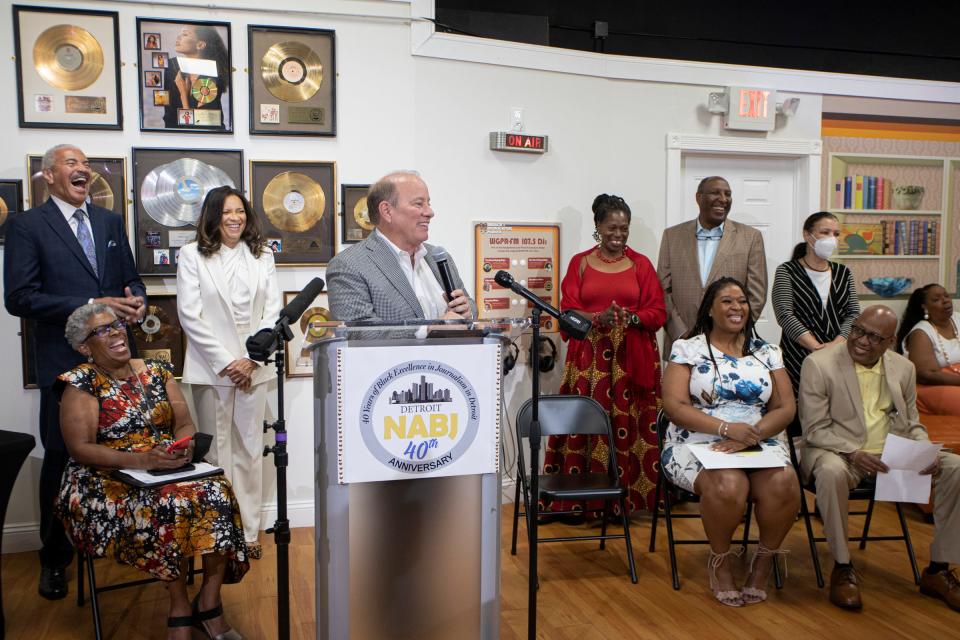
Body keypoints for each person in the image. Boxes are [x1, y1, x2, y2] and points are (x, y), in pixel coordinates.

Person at [3, 144, 145, 600]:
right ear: (48, 176)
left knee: (126, 447)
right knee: (63, 459)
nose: (82, 169)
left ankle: (119, 542)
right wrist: (91, 305)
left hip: (116, 363)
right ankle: (54, 559)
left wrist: (137, 299)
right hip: (64, 365)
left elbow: (129, 278)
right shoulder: (27, 226)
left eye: (85, 164)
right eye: (71, 163)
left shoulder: (108, 222)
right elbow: (19, 299)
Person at [57, 303, 247, 639]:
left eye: (117, 324)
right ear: (84, 347)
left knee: (219, 490)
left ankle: (209, 602)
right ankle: (179, 608)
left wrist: (183, 447)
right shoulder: (81, 383)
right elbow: (81, 449)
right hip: (102, 478)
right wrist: (144, 462)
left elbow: (184, 423)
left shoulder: (158, 372)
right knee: (167, 504)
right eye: (103, 330)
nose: (116, 332)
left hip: (164, 467)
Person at [799, 305, 960, 612]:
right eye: (858, 330)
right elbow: (814, 429)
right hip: (839, 451)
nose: (861, 340)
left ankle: (938, 570)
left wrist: (923, 450)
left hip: (891, 453)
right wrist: (853, 452)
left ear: (890, 341)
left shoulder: (903, 367)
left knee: (955, 468)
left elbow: (913, 423)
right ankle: (842, 567)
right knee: (830, 473)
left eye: (874, 337)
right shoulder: (818, 364)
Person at [661, 277, 798, 607]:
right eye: (727, 301)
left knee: (784, 482)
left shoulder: (768, 351)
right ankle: (721, 562)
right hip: (695, 441)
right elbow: (675, 406)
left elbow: (786, 407)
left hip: (757, 440)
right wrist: (726, 429)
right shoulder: (687, 348)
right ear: (709, 309)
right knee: (728, 486)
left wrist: (752, 435)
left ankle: (763, 561)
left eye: (742, 301)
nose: (737, 307)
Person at [542, 194, 665, 514]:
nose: (619, 234)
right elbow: (567, 309)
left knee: (630, 425)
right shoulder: (580, 262)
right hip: (590, 359)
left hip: (631, 358)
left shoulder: (641, 264)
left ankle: (629, 500)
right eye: (612, 227)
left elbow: (657, 311)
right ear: (598, 226)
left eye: (624, 229)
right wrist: (599, 319)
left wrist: (631, 318)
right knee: (587, 422)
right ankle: (579, 502)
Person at [176, 186, 281, 559]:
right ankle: (221, 537)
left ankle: (249, 533)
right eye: (226, 213)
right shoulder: (192, 255)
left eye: (239, 211)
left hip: (253, 368)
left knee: (251, 451)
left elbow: (272, 312)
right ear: (212, 218)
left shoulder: (262, 255)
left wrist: (250, 360)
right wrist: (227, 362)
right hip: (211, 368)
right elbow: (190, 315)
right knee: (217, 455)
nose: (234, 218)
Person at [326, 171, 475, 323]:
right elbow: (358, 332)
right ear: (387, 211)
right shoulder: (349, 265)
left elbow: (469, 305)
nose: (430, 212)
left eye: (428, 203)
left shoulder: (439, 257)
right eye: (418, 204)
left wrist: (468, 310)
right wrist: (433, 329)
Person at [657, 176, 767, 359]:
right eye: (716, 193)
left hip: (730, 345)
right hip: (683, 342)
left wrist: (733, 330)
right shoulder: (672, 236)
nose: (723, 199)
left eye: (728, 194)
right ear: (699, 197)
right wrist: (681, 333)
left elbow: (757, 294)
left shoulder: (750, 237)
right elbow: (662, 288)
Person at [772, 211, 860, 397]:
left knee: (836, 409)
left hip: (839, 354)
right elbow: (784, 314)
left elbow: (853, 313)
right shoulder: (787, 271)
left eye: (836, 234)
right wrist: (816, 347)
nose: (831, 239)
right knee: (800, 411)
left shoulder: (843, 272)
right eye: (825, 232)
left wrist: (837, 344)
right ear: (807, 235)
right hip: (798, 355)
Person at [897, 283, 960, 415]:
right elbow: (926, 375)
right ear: (925, 307)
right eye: (936, 299)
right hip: (933, 387)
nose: (945, 301)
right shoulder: (921, 332)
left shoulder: (957, 318)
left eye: (946, 296)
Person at [164, 25, 229, 129]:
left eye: (185, 34)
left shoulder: (209, 76)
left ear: (200, 45)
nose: (178, 37)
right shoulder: (172, 67)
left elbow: (196, 126)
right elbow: (169, 116)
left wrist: (183, 94)